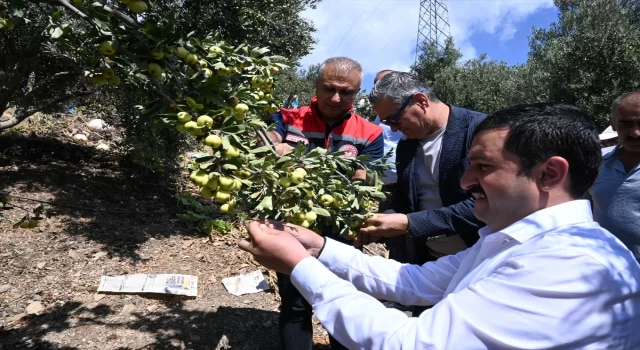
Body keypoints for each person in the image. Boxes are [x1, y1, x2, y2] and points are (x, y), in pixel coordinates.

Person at [239, 103, 640, 349]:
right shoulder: (516, 243)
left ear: (550, 174)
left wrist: (300, 267)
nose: (465, 183)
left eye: (483, 167)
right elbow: (413, 283)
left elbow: (406, 343)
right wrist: (319, 247)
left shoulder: (567, 266)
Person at [266, 56, 384, 350]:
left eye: (347, 92)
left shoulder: (370, 132)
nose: (336, 98)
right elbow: (262, 142)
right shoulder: (287, 118)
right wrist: (270, 145)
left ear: (357, 93)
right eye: (329, 88)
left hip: (340, 232)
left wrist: (361, 178)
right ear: (316, 85)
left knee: (342, 304)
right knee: (295, 305)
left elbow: (369, 179)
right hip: (290, 224)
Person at [361, 72, 486, 266]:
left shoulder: (481, 132)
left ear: (421, 101)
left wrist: (410, 223)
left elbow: (488, 204)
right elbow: (407, 199)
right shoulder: (406, 145)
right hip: (432, 263)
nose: (393, 129)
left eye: (394, 119)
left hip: (481, 261)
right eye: (387, 123)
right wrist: (382, 221)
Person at [589, 91, 640, 261]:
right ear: (613, 123)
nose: (635, 133)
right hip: (607, 271)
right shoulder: (596, 162)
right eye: (626, 124)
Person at [370, 70, 403, 212]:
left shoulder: (406, 114)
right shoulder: (379, 117)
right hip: (384, 186)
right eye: (376, 85)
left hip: (404, 185)